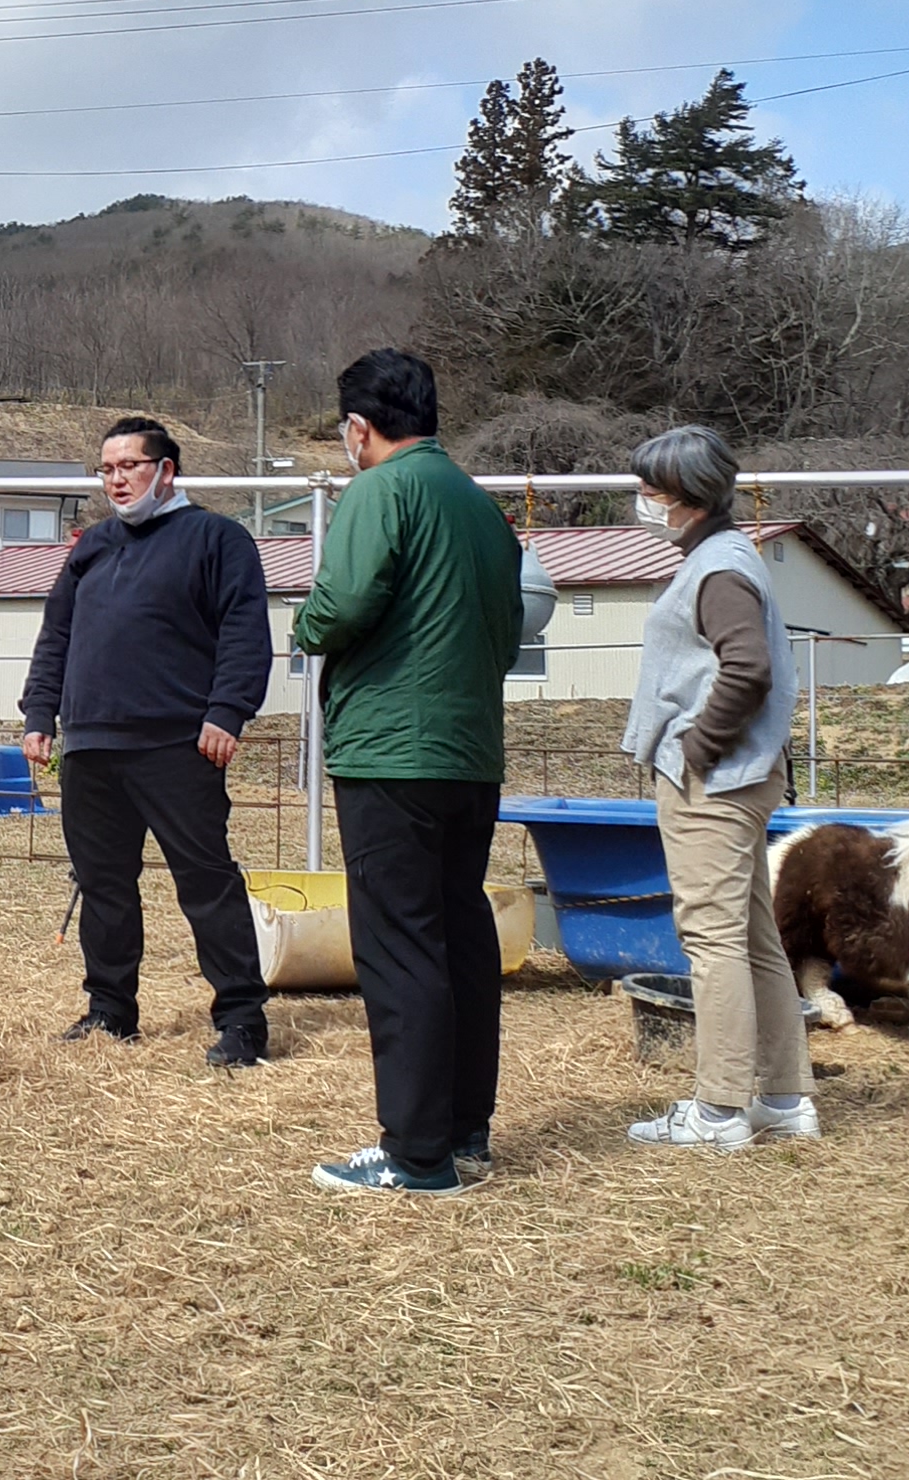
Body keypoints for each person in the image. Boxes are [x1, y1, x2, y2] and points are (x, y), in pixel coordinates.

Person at [295, 350, 524, 1199]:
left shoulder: (380, 492)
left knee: (399, 946)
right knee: (461, 936)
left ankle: (415, 1154)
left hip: (392, 749)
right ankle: (465, 1134)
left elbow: (344, 603)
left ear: (360, 429)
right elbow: (506, 630)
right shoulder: (480, 506)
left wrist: (306, 624)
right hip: (470, 752)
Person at [19, 416, 275, 1067]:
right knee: (104, 884)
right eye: (106, 470)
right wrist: (39, 714)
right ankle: (110, 1010)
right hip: (91, 746)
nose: (116, 480)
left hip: (178, 745)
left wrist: (227, 711)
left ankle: (242, 1019)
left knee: (206, 881)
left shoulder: (217, 539)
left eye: (129, 466)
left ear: (165, 470)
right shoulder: (92, 547)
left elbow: (245, 632)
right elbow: (57, 636)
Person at [620, 424, 817, 1149]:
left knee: (713, 940)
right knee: (756, 937)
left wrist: (698, 746)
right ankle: (786, 1099)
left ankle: (721, 1110)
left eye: (651, 490)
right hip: (747, 776)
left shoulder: (720, 568)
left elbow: (747, 667)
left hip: (718, 783)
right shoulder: (723, 556)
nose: (642, 501)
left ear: (688, 497)